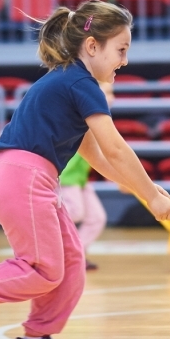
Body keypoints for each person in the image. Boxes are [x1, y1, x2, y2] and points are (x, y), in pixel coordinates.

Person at [0, 0, 170, 339]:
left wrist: (144, 189)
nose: (125, 61)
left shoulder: (68, 80)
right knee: (44, 270)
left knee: (71, 262)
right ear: (92, 46)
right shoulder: (82, 83)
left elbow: (96, 155)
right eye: (121, 50)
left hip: (21, 177)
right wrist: (152, 197)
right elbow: (116, 148)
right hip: (23, 178)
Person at [58, 82, 114, 271]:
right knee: (75, 212)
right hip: (66, 176)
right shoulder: (82, 117)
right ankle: (45, 232)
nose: (112, 98)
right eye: (107, 93)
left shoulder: (100, 119)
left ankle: (76, 256)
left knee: (96, 218)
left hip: (80, 179)